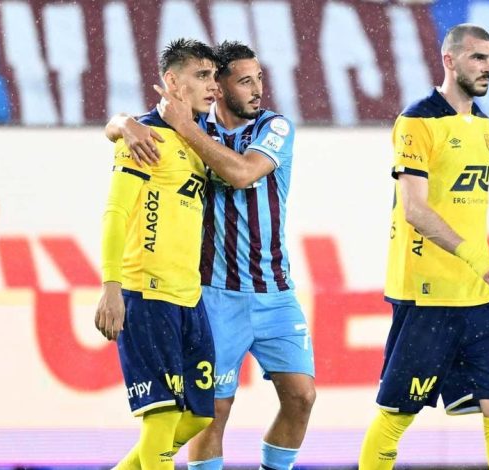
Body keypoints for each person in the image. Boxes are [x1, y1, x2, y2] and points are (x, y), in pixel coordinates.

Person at [105, 41, 315, 470]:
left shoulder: (272, 127)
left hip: (274, 291)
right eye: (245, 81)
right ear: (220, 86)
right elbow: (131, 135)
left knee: (301, 396)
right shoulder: (193, 125)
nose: (257, 90)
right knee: (209, 413)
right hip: (212, 294)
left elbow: (242, 173)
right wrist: (123, 123)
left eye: (259, 79)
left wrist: (184, 127)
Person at [358, 24, 489, 469]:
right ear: (449, 60)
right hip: (427, 293)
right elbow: (414, 209)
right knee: (398, 413)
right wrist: (476, 257)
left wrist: (477, 266)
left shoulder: (483, 124)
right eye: (478, 58)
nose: (488, 68)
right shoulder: (418, 121)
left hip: (477, 293)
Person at [94, 38, 220, 470]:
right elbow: (116, 212)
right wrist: (112, 285)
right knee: (162, 417)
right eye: (202, 75)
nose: (213, 85)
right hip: (147, 295)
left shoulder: (200, 143)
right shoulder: (144, 137)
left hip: (189, 298)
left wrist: (119, 122)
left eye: (214, 76)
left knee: (198, 415)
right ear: (172, 81)